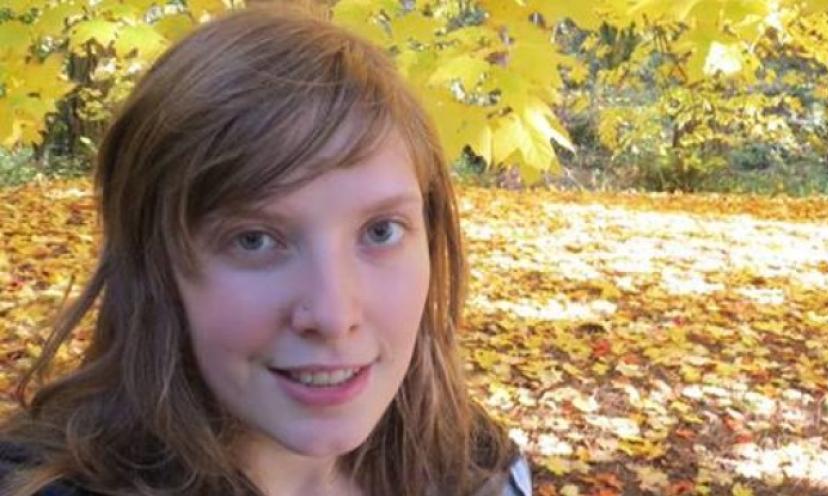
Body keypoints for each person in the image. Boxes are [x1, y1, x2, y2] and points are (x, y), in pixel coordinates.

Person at [0, 3, 532, 495]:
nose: (332, 314)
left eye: (380, 231)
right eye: (254, 240)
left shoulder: (482, 473)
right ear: (156, 266)